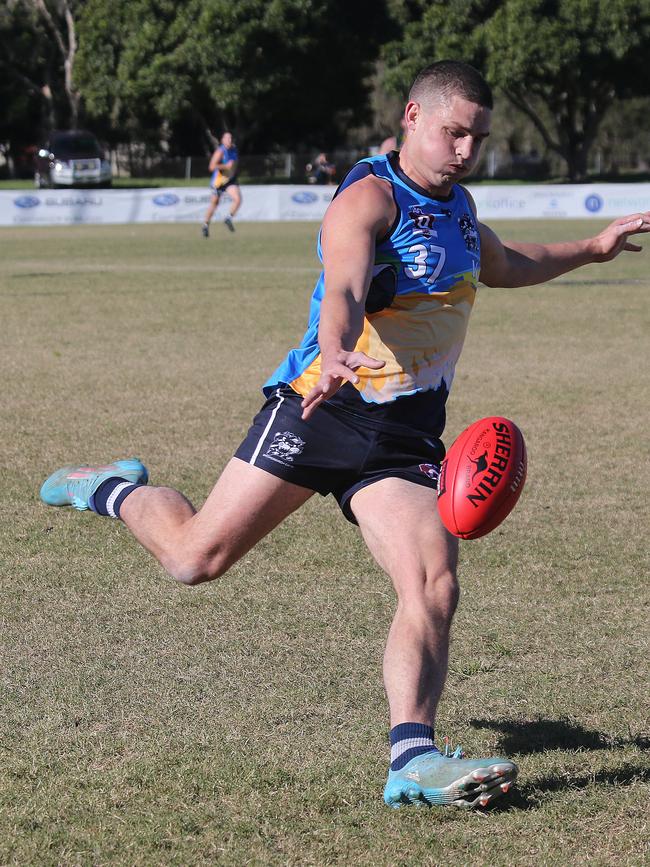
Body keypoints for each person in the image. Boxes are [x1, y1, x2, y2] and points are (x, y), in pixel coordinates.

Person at [40, 60, 650, 809]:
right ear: (412, 117)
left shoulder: (458, 207)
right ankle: (113, 487)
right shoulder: (366, 198)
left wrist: (592, 248)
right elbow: (345, 288)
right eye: (454, 132)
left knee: (433, 583)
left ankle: (413, 759)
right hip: (320, 409)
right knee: (194, 560)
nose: (466, 150)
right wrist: (334, 350)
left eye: (478, 138)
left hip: (406, 438)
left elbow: (501, 262)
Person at [202, 131, 241, 236]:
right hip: (219, 181)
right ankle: (205, 225)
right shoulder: (220, 151)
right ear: (222, 140)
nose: (229, 140)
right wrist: (225, 167)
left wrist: (233, 171)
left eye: (231, 138)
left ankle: (228, 219)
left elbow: (234, 163)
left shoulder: (234, 149)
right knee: (214, 204)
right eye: (227, 138)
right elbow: (211, 167)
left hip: (230, 180)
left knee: (238, 199)